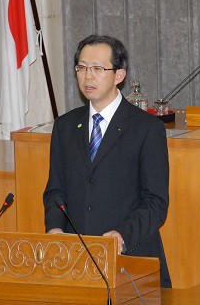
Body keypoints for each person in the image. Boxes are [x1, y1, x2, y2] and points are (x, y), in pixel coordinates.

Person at [43, 35, 172, 287]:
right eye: (81, 67)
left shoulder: (146, 128)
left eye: (98, 69)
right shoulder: (65, 126)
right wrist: (55, 230)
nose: (87, 76)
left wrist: (122, 236)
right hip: (76, 262)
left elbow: (156, 202)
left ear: (119, 75)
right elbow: (55, 191)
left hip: (130, 261)